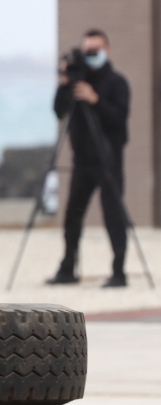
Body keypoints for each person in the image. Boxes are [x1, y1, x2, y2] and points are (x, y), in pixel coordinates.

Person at [48, 29, 131, 288]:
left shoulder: (117, 82)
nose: (90, 56)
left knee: (113, 214)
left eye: (95, 51)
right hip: (82, 160)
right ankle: (67, 268)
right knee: (73, 214)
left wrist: (95, 99)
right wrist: (64, 83)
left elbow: (119, 118)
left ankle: (119, 271)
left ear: (107, 50)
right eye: (86, 52)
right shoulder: (75, 83)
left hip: (109, 160)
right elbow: (59, 111)